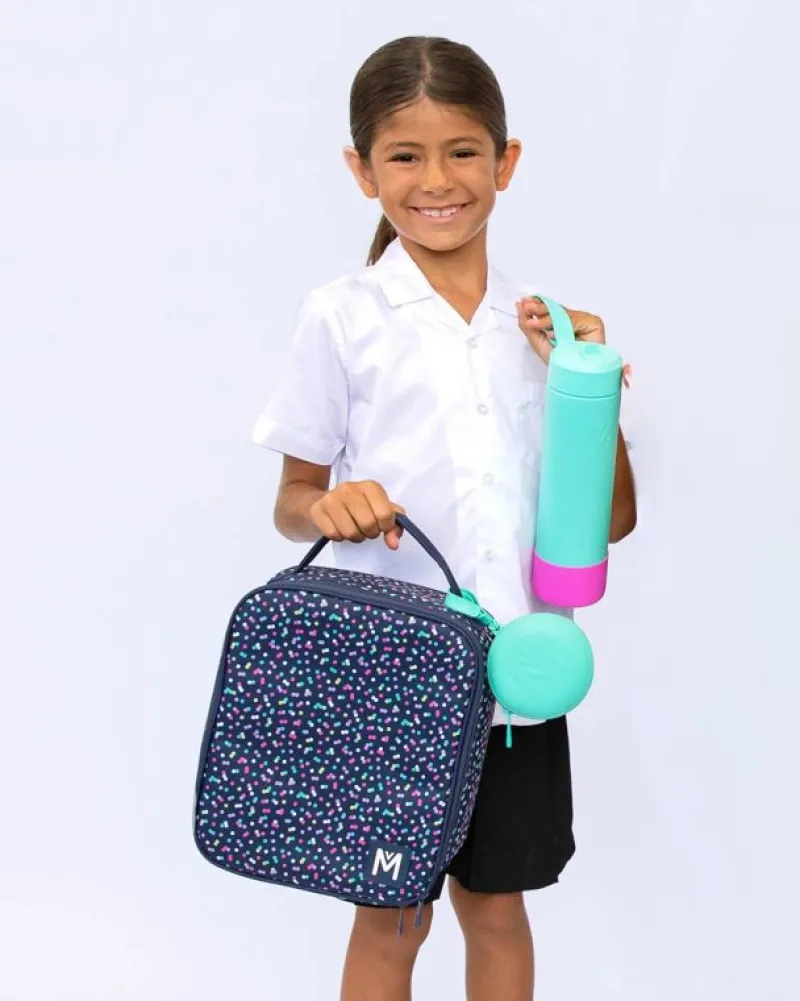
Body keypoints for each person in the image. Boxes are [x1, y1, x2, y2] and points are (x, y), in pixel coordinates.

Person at [252, 35, 637, 1001]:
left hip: (518, 671)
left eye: (463, 151)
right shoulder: (342, 316)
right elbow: (293, 501)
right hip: (391, 677)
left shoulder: (544, 328)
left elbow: (614, 521)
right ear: (362, 171)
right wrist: (328, 505)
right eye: (405, 156)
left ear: (506, 162)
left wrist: (588, 387)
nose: (436, 180)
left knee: (498, 909)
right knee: (391, 917)